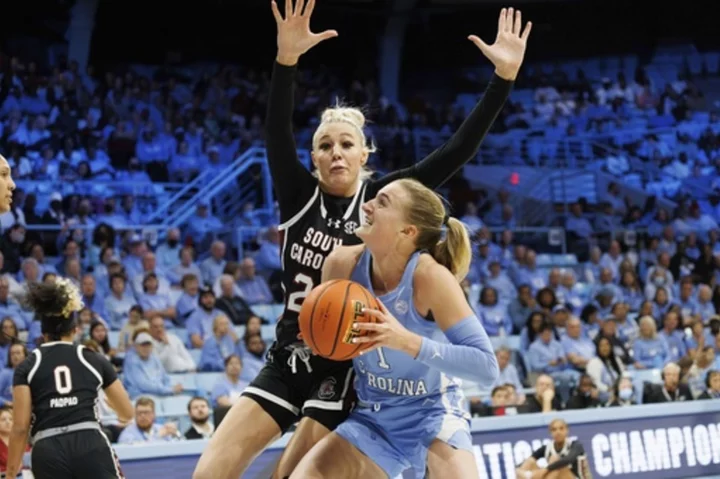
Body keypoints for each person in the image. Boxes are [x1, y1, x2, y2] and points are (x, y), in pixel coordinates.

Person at [193, 2, 531, 478]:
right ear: (312, 156)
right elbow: (274, 134)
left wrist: (503, 80)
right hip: (293, 349)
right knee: (210, 471)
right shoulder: (299, 195)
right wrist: (285, 61)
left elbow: (457, 151)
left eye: (346, 143)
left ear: (364, 152)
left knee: (288, 475)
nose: (335, 152)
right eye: (325, 145)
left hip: (349, 364)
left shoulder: (382, 201)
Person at [290, 178, 498, 478]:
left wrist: (405, 341)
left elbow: (487, 368)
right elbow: (335, 347)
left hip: (433, 417)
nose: (366, 205)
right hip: (372, 419)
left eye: (382, 202)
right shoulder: (341, 264)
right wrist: (317, 338)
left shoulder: (431, 278)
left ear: (407, 231)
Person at [4, 279, 134, 478]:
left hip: (48, 448)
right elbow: (127, 412)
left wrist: (11, 473)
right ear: (74, 330)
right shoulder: (93, 359)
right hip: (89, 442)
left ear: (43, 333)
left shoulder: (26, 366)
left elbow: (20, 427)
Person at [515, 419, 590, 479]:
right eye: (554, 430)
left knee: (555, 459)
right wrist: (521, 472)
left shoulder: (576, 445)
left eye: (561, 429)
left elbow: (568, 460)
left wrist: (544, 470)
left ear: (567, 430)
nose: (558, 432)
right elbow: (530, 460)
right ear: (550, 433)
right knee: (530, 463)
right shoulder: (547, 447)